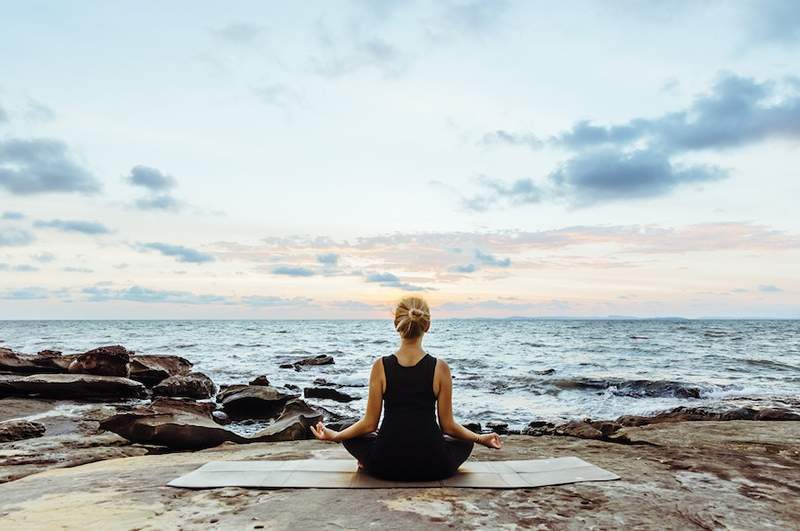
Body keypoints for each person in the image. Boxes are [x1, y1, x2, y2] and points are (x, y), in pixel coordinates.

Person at [310, 296, 502, 481]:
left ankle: (366, 461)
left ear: (396, 324)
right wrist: (481, 438)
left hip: (385, 466)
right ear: (427, 326)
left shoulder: (380, 366)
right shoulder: (440, 368)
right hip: (435, 466)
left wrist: (336, 436)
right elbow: (448, 426)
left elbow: (369, 424)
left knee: (348, 429)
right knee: (466, 438)